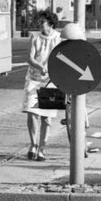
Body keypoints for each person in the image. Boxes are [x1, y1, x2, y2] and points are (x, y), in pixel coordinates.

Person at [22, 11, 62, 161]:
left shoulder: (58, 39)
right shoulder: (35, 37)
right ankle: (33, 145)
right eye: (39, 22)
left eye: (43, 22)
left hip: (51, 81)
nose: (40, 24)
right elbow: (30, 58)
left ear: (50, 24)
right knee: (32, 112)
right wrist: (40, 66)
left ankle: (42, 148)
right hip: (34, 79)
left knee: (46, 117)